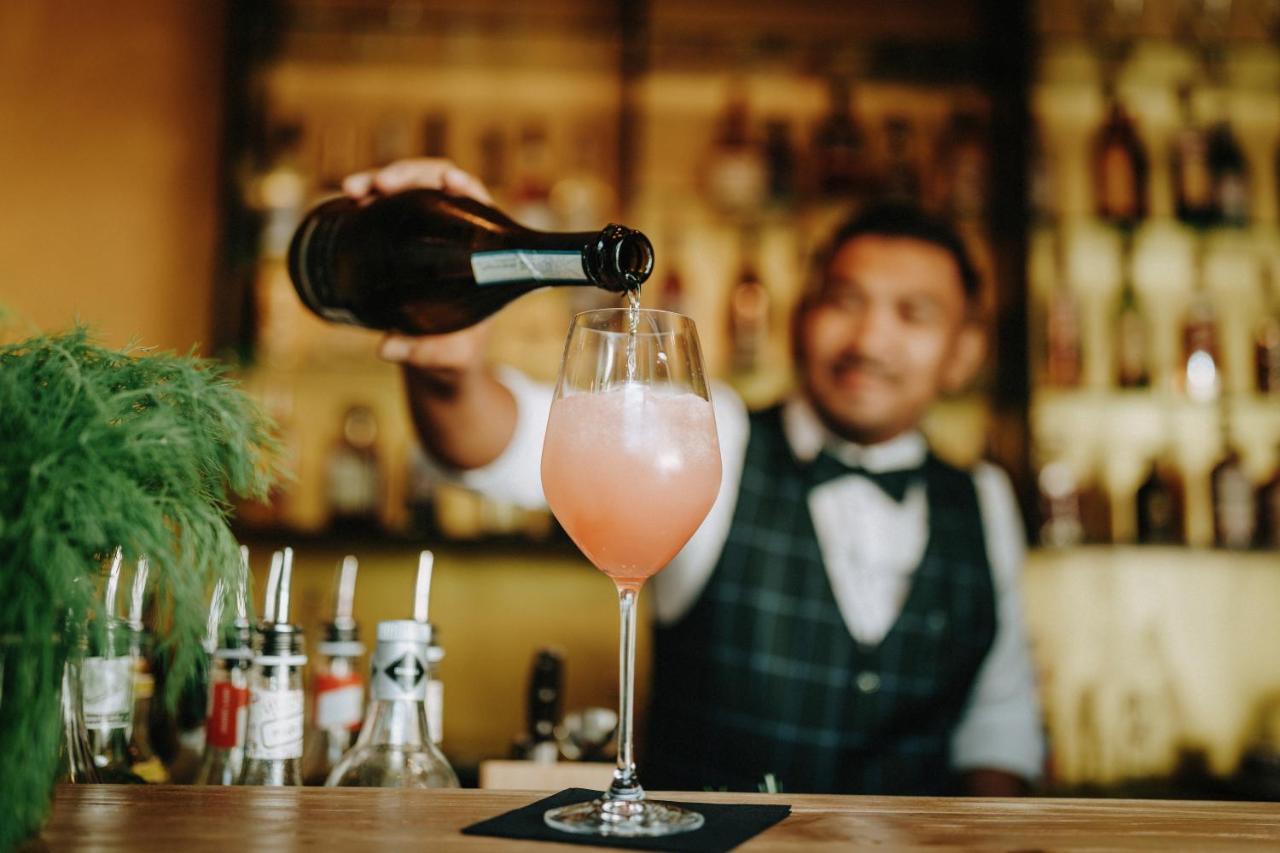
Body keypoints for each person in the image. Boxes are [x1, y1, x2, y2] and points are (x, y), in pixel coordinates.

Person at [344, 158, 1044, 796]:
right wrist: (449, 369)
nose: (869, 340)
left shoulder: (983, 500)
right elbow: (504, 443)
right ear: (800, 317)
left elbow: (999, 729)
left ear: (965, 352)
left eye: (913, 313)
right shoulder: (716, 438)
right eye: (844, 300)